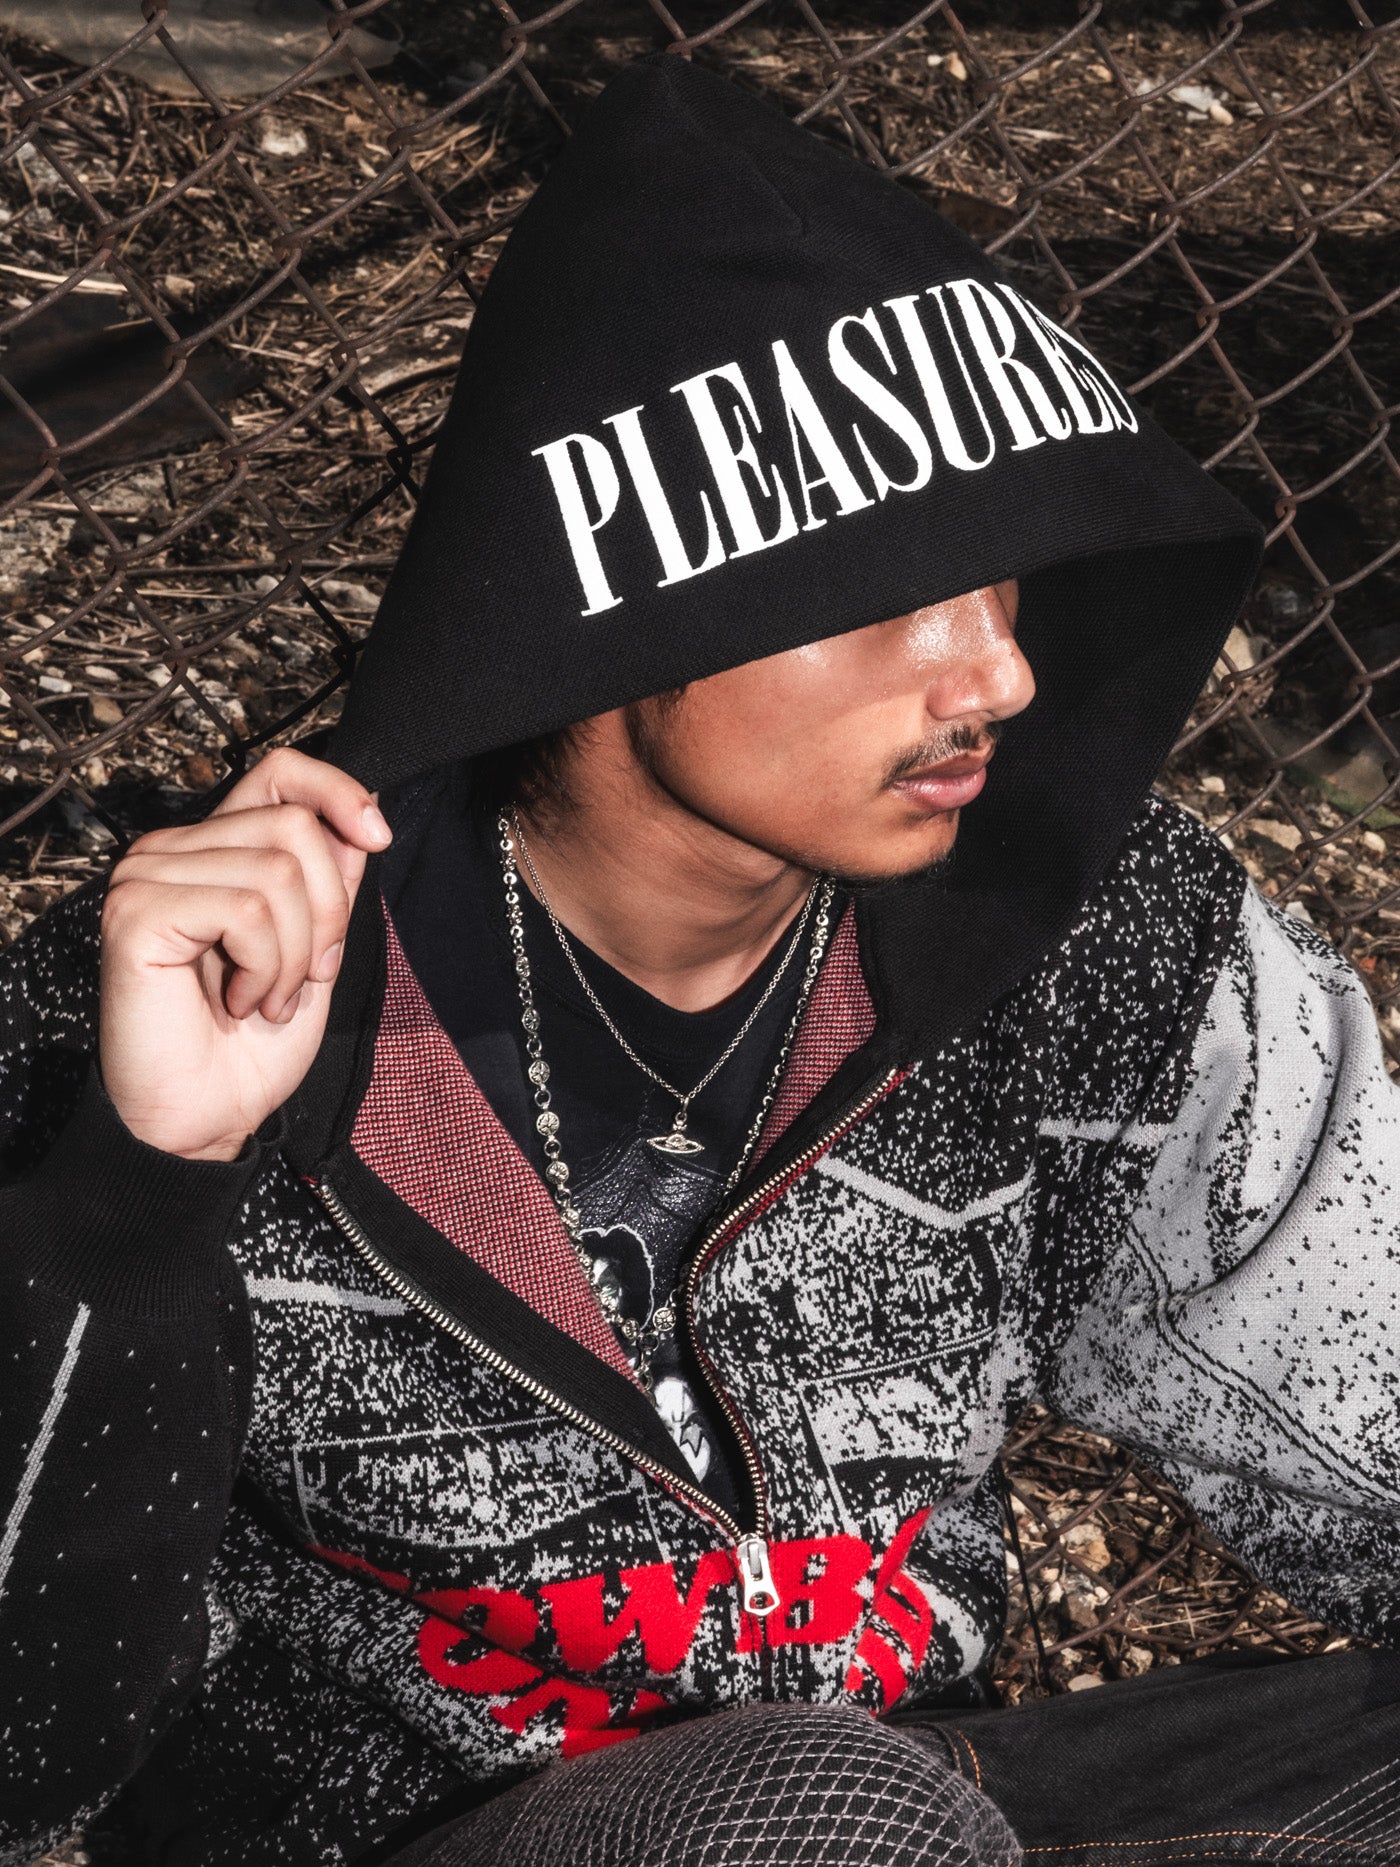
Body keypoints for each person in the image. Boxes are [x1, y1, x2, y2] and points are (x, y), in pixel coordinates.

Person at [2, 50, 1397, 1867]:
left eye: (1004, 577)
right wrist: (133, 1192)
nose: (997, 672)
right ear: (619, 612)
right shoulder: (197, 998)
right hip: (439, 1840)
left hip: (951, 1808)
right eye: (894, 591)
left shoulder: (1093, 936)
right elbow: (27, 1756)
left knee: (874, 1809)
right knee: (812, 1811)